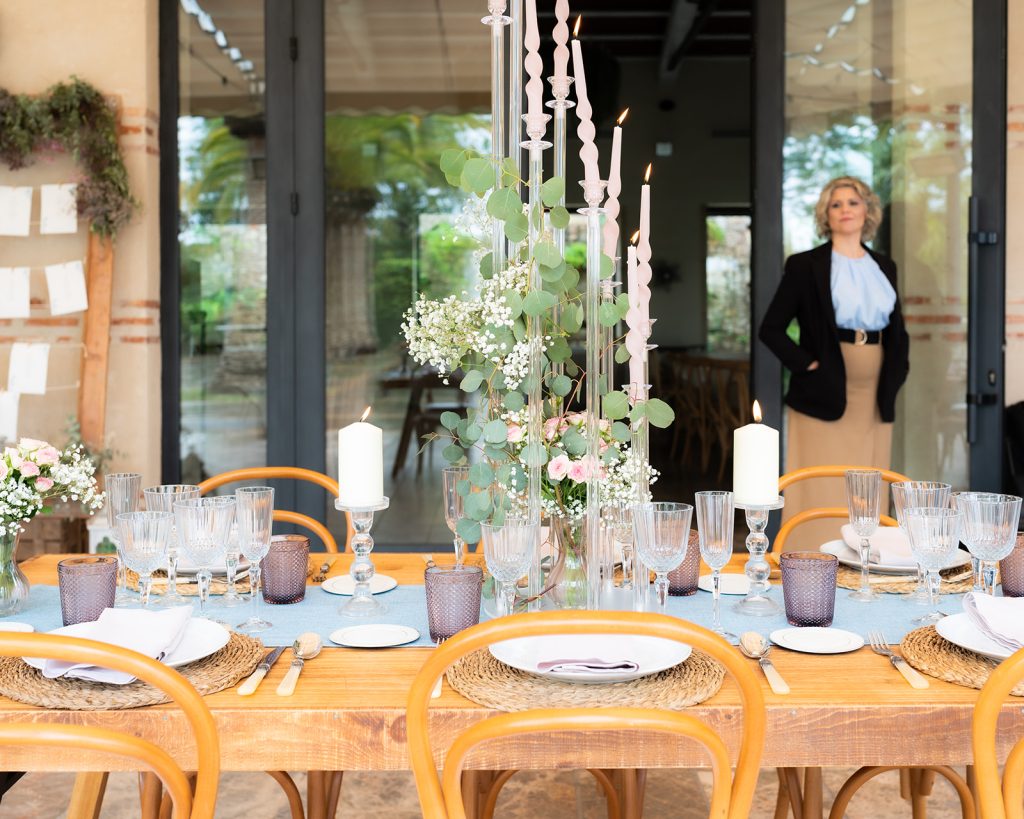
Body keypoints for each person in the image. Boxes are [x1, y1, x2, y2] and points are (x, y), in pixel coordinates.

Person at [759, 176, 910, 550]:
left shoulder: (884, 266)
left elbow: (897, 328)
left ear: (867, 211)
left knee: (867, 483)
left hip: (875, 392)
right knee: (821, 480)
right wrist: (807, 365)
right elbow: (771, 329)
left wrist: (898, 370)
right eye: (836, 204)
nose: (845, 210)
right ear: (826, 215)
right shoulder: (805, 265)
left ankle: (862, 559)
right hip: (823, 388)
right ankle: (809, 558)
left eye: (853, 203)